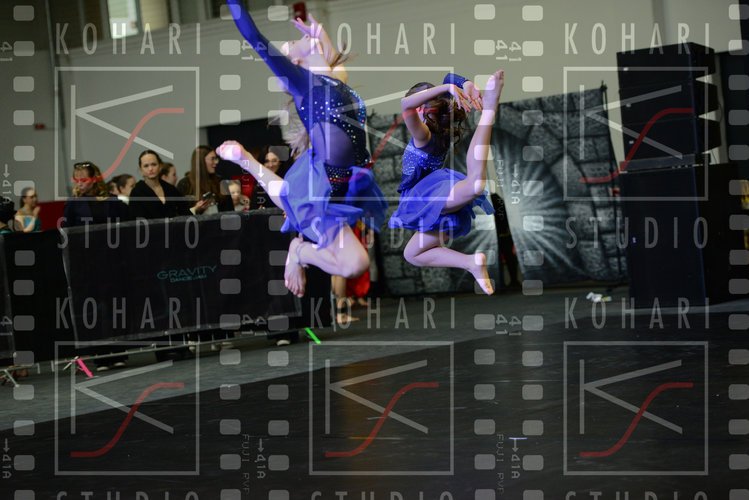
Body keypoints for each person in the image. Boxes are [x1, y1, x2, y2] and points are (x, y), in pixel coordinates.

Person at [219, 3, 387, 297]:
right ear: (294, 62)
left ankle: (245, 160)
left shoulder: (336, 78)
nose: (295, 39)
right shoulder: (301, 83)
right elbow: (252, 35)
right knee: (355, 264)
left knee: (295, 200)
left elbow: (331, 59)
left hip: (344, 180)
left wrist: (320, 33)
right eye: (290, 45)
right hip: (327, 182)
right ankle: (299, 251)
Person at [388, 70, 505, 295]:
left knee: (474, 186)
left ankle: (490, 108)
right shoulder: (438, 132)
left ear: (421, 109)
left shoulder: (423, 135)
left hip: (424, 196)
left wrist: (448, 88)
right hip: (434, 198)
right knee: (412, 254)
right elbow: (447, 77)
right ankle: (471, 262)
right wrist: (464, 83)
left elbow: (405, 104)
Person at [129, 150, 210, 219]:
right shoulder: (136, 193)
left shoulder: (170, 189)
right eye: (146, 166)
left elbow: (185, 214)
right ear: (141, 170)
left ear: (160, 166)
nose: (150, 169)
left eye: (154, 164)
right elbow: (135, 223)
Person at [62, 162, 129, 227]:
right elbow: (66, 229)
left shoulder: (112, 201)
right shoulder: (73, 202)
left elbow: (126, 224)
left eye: (84, 180)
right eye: (76, 180)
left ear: (94, 179)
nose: (79, 184)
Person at [177, 146, 225, 215]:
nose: (216, 162)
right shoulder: (185, 184)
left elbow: (229, 210)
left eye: (216, 159)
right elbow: (181, 215)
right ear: (201, 161)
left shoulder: (221, 182)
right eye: (212, 159)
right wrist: (196, 209)